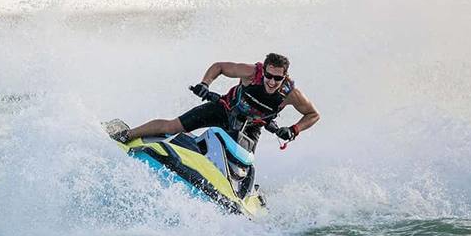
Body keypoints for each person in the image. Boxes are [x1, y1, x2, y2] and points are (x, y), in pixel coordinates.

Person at [112, 53, 320, 151]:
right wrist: (205, 84)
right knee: (172, 126)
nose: (272, 82)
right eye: (269, 76)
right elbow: (219, 66)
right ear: (263, 71)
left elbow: (313, 115)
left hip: (251, 127)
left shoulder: (290, 94)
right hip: (223, 109)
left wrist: (294, 130)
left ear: (285, 76)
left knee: (243, 162)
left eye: (278, 78)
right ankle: (126, 135)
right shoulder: (250, 73)